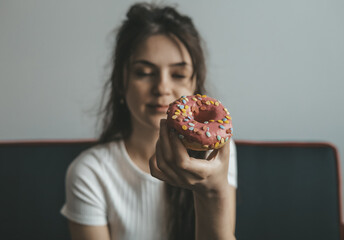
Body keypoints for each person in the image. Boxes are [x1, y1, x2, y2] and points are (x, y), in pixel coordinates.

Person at [61, 2, 237, 240]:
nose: (162, 88)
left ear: (195, 85)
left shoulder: (214, 155)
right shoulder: (90, 173)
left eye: (178, 74)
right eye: (144, 73)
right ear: (122, 82)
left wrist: (214, 194)